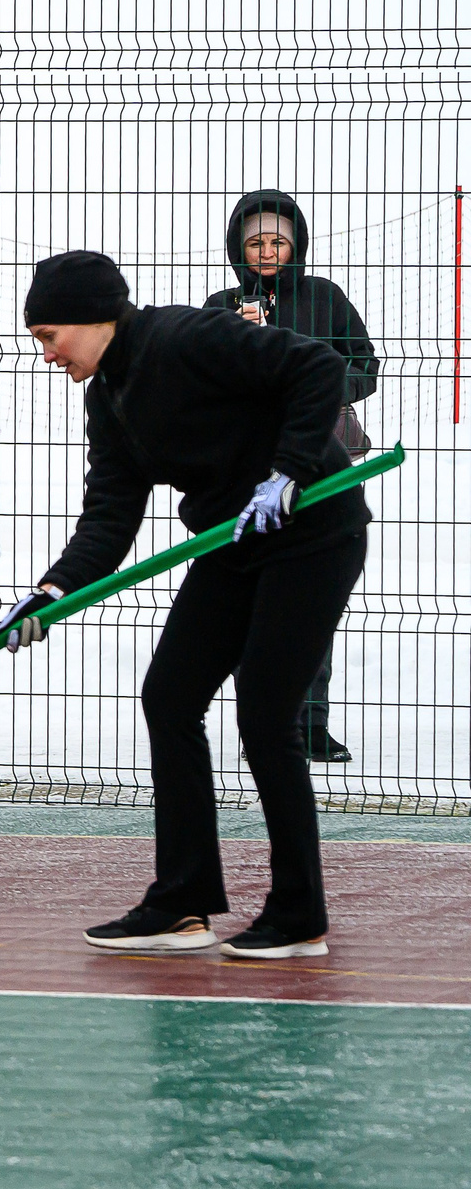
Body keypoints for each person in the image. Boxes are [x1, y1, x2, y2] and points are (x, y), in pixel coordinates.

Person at [5, 250, 368, 960]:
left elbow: (317, 368)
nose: (45, 353)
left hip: (312, 530)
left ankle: (299, 915)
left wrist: (291, 470)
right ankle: (183, 901)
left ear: (92, 316)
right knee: (169, 695)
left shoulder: (188, 337)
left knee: (266, 712)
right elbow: (110, 513)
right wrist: (54, 589)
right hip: (234, 538)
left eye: (50, 336)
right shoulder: (107, 395)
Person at [202, 189, 380, 764]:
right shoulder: (221, 304)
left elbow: (366, 368)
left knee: (314, 597)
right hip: (250, 474)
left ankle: (312, 724)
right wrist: (236, 335)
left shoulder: (324, 298)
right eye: (256, 243)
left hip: (321, 473)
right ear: (238, 247)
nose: (268, 251)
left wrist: (320, 384)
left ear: (296, 243)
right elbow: (202, 380)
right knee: (255, 600)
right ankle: (268, 720)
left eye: (279, 241)